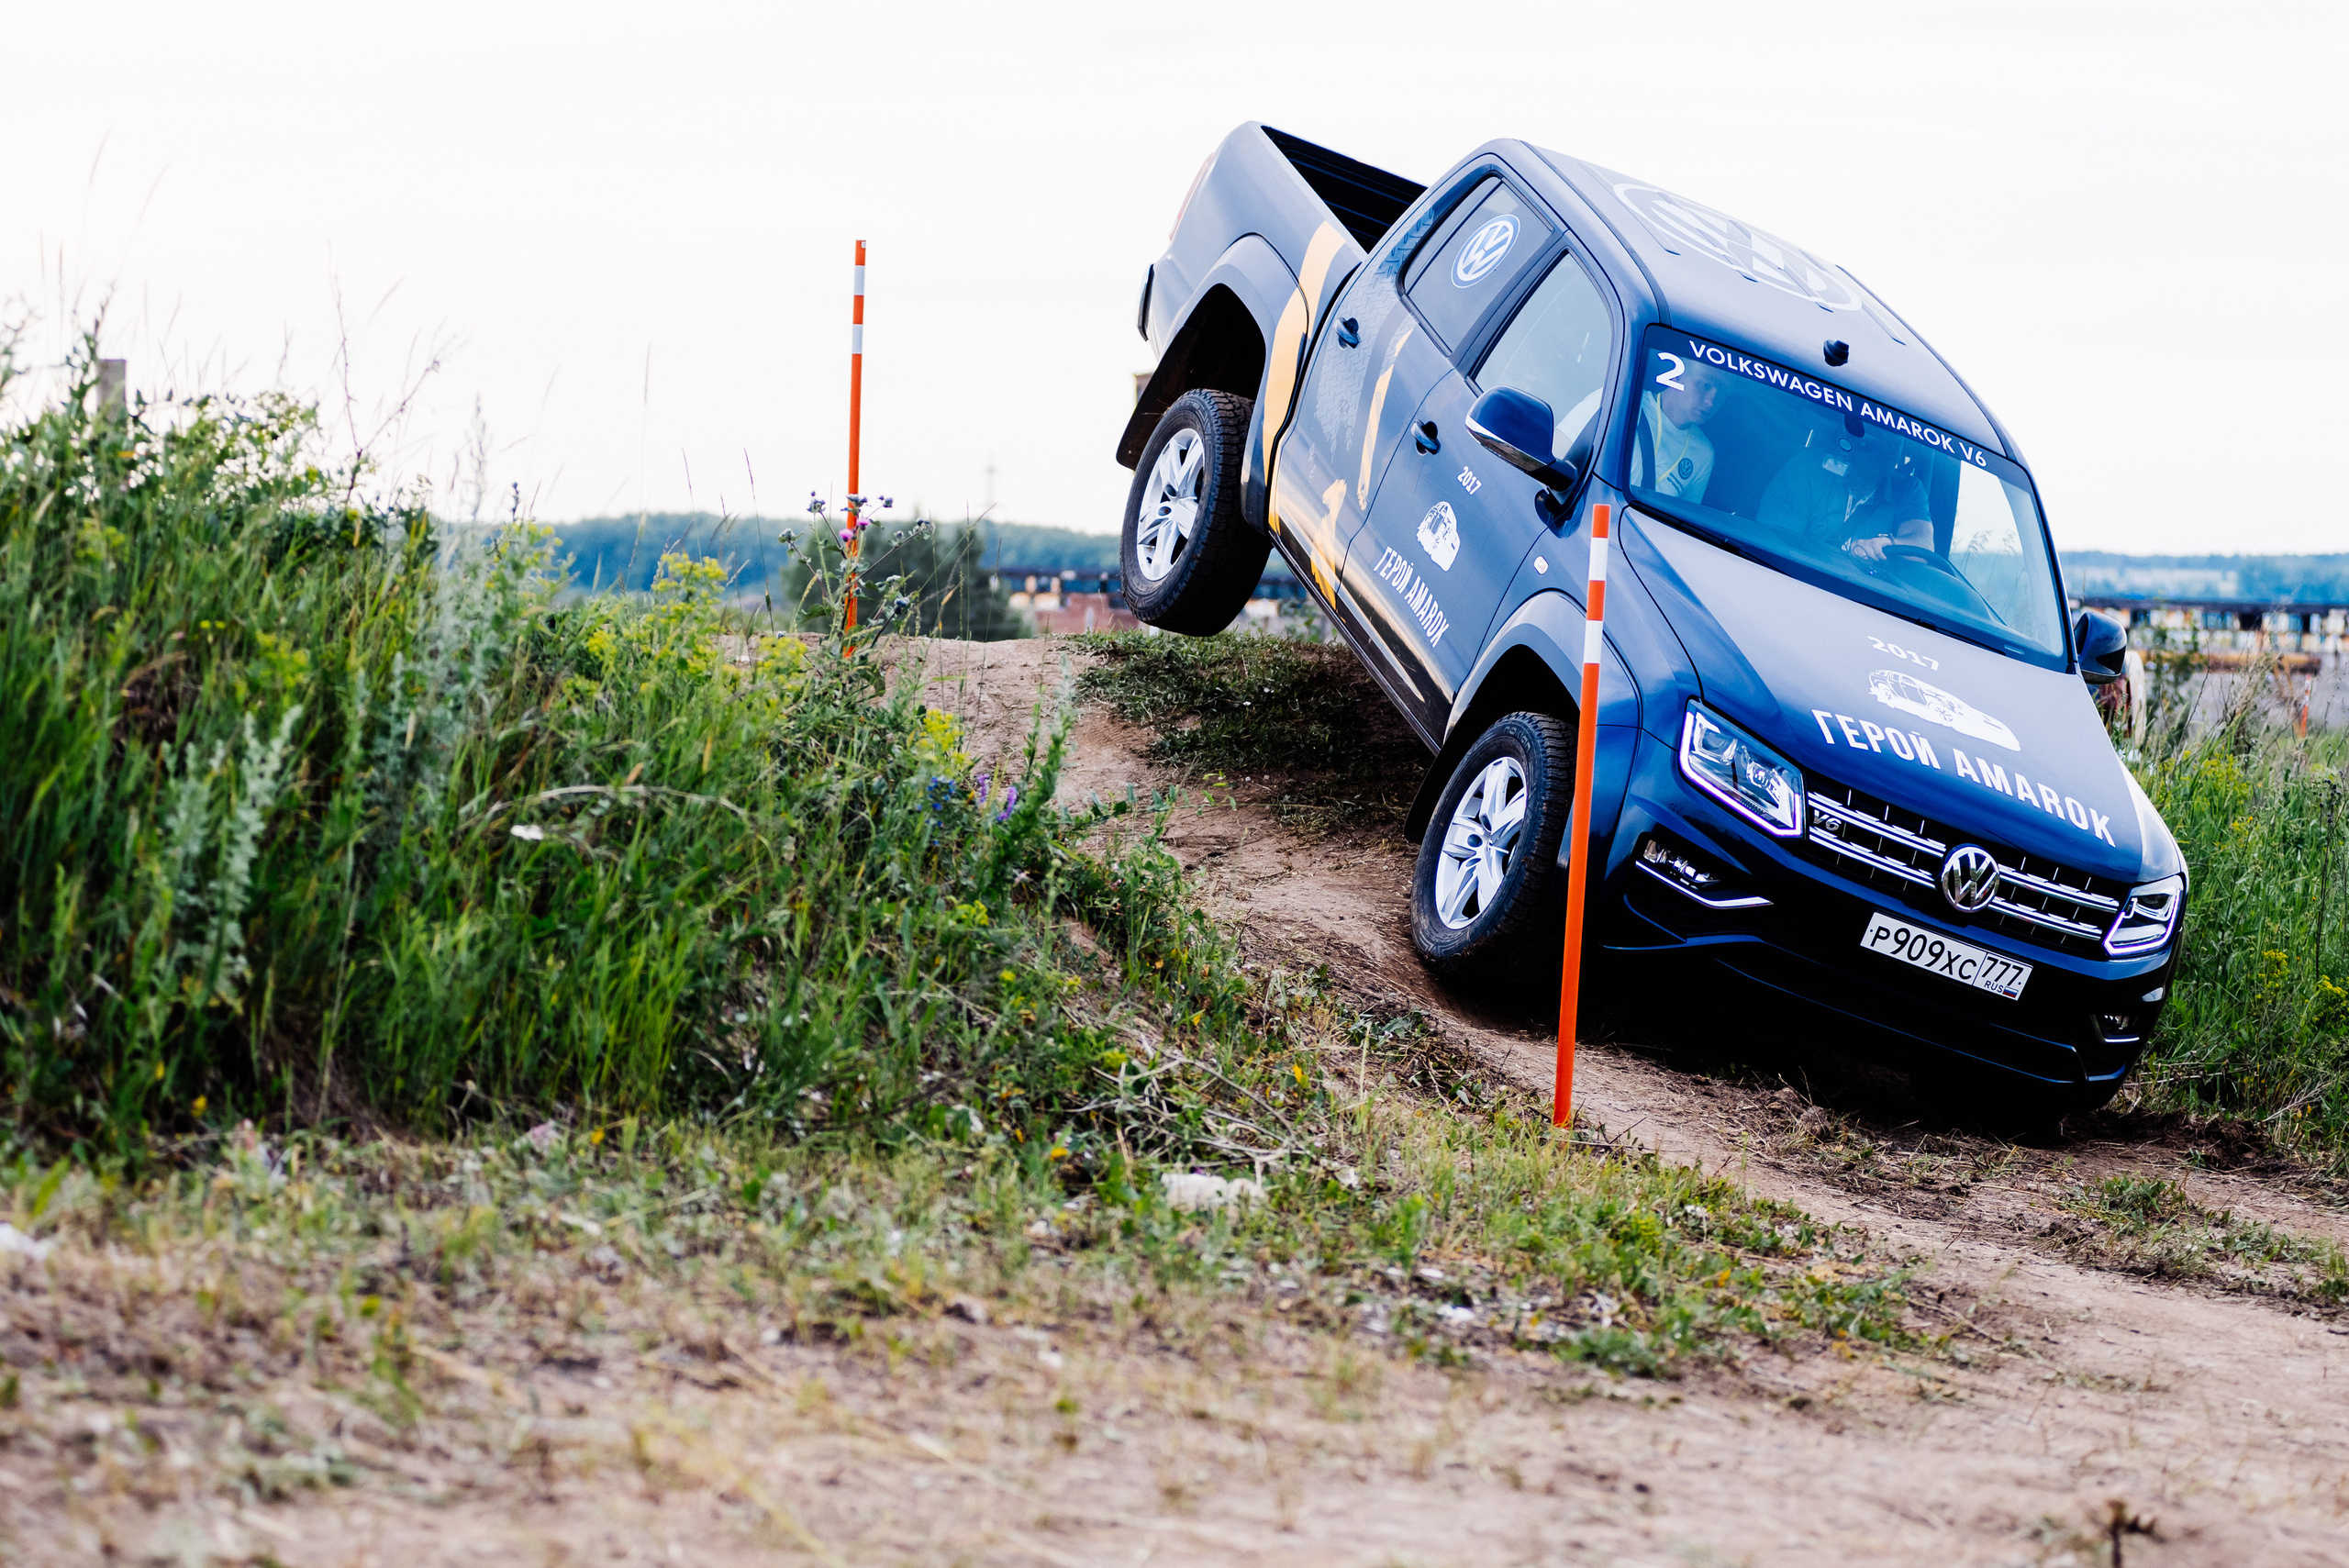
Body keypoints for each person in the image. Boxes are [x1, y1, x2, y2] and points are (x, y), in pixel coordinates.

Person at [1756, 420, 1935, 562]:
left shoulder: (1907, 490)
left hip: (1870, 599)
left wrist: (1889, 544)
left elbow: (1923, 547)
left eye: (1894, 442)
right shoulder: (1807, 470)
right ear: (1848, 444)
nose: (1890, 452)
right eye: (1877, 440)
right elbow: (1773, 547)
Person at [1629, 361, 1719, 501]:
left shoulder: (1704, 453)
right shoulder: (1625, 406)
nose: (1710, 402)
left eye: (1720, 394)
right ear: (1676, 376)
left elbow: (1682, 517)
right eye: (1705, 385)